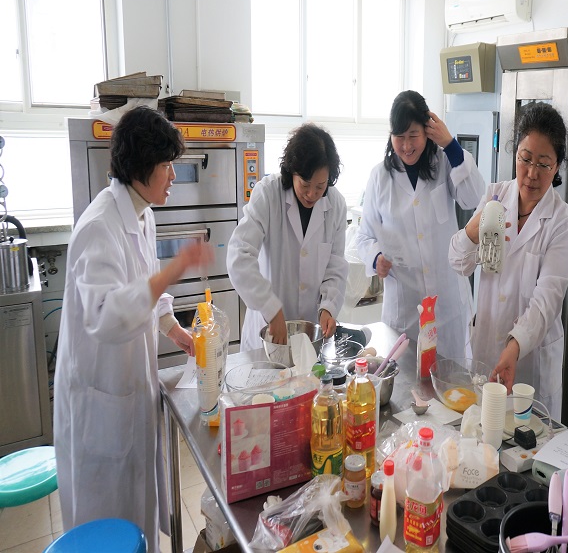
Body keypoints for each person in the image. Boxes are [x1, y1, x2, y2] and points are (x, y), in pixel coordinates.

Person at [54, 106, 213, 551]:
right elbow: (105, 316)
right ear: (142, 166)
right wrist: (176, 269)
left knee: (136, 523)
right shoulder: (98, 226)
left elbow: (143, 284)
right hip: (98, 401)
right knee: (104, 527)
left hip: (129, 388)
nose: (173, 176)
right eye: (167, 165)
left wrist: (171, 327)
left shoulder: (142, 213)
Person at [449, 102, 568, 421]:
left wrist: (515, 345)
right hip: (486, 349)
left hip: (531, 364)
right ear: (515, 153)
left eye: (544, 164)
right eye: (525, 159)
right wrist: (473, 230)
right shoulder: (494, 196)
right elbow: (459, 263)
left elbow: (547, 300)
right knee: (483, 439)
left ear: (557, 167)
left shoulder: (562, 220)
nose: (532, 173)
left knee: (527, 441)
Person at [354, 90, 485, 359]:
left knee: (451, 378)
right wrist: (376, 258)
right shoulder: (379, 177)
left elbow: (474, 197)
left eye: (413, 135)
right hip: (405, 309)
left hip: (446, 304)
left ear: (427, 131)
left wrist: (451, 145)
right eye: (399, 136)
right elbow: (364, 236)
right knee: (405, 379)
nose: (406, 146)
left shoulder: (444, 163)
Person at [228, 123, 348, 350]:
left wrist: (328, 307)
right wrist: (271, 308)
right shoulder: (268, 194)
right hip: (266, 336)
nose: (312, 194)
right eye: (305, 184)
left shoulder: (336, 205)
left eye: (320, 186)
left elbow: (335, 266)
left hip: (309, 338)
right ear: (292, 171)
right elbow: (239, 256)